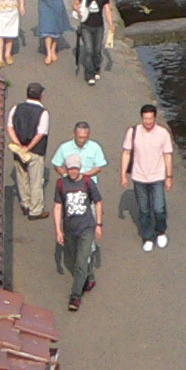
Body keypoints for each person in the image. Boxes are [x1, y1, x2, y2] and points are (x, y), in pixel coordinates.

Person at [51, 122, 108, 310]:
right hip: (70, 227)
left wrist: (98, 224)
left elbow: (98, 201)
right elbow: (58, 207)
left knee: (81, 260)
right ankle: (89, 277)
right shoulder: (61, 184)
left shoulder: (88, 182)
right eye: (71, 168)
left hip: (86, 225)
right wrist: (58, 229)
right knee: (75, 258)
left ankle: (75, 297)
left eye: (76, 168)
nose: (74, 171)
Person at [122, 102, 177, 252]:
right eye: (145, 119)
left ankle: (160, 231)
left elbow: (167, 155)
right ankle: (147, 236)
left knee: (159, 208)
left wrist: (169, 176)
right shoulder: (133, 132)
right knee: (144, 209)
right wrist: (123, 175)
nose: (148, 122)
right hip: (139, 176)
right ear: (141, 118)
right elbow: (126, 153)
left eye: (150, 119)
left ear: (155, 118)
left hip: (157, 176)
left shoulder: (163, 133)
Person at [7, 82, 49, 219]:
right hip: (35, 151)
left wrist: (18, 144)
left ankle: (25, 204)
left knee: (21, 177)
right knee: (35, 181)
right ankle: (35, 210)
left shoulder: (16, 108)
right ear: (41, 96)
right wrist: (29, 147)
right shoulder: (43, 113)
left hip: (19, 150)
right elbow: (40, 133)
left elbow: (10, 127)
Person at [73, 0, 115, 84]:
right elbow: (75, 4)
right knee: (89, 50)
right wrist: (78, 11)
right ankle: (89, 75)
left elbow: (107, 11)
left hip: (99, 27)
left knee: (97, 51)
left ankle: (96, 69)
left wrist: (111, 24)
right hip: (86, 26)